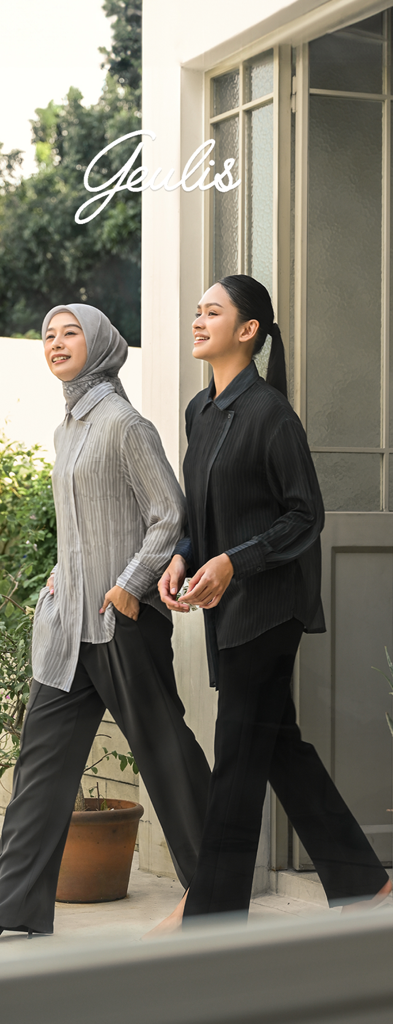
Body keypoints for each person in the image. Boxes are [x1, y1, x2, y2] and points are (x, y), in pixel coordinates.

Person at [0, 303, 210, 944]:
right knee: (40, 766)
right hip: (70, 628)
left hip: (121, 625)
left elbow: (169, 516)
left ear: (100, 345)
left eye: (71, 333)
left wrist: (127, 587)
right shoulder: (67, 429)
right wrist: (62, 576)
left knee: (166, 757)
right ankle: (7, 908)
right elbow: (82, 530)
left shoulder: (123, 423)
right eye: (47, 334)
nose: (56, 343)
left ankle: (218, 891)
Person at [151, 274, 391, 932]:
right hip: (226, 606)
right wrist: (183, 555)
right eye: (195, 311)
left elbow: (303, 517)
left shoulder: (270, 415)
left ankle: (211, 912)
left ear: (247, 330)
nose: (197, 321)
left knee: (235, 754)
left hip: (269, 608)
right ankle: (362, 881)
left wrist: (232, 562)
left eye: (212, 312)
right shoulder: (201, 412)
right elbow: (201, 511)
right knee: (275, 743)